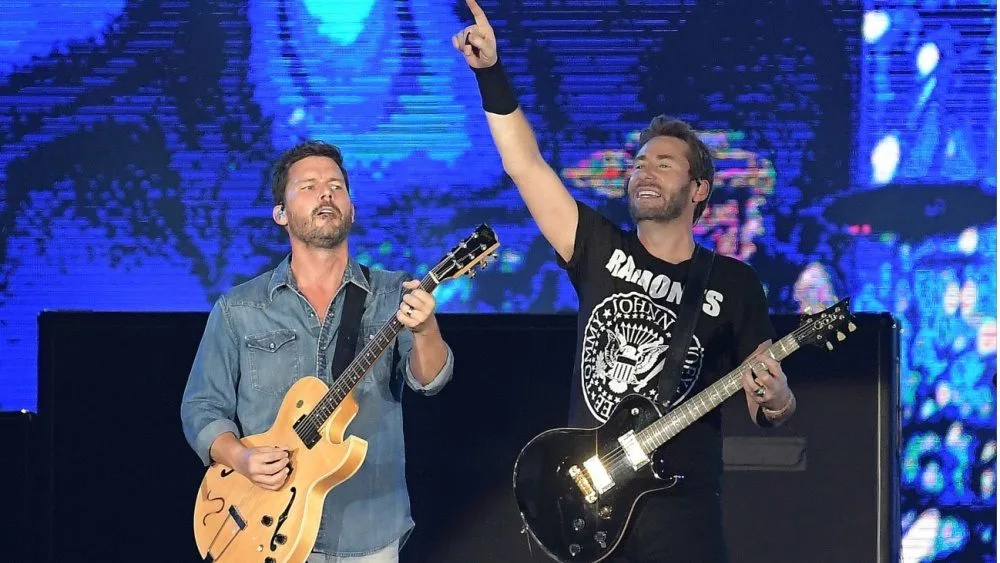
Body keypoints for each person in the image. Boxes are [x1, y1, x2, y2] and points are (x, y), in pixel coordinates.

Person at [451, 1, 796, 561]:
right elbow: (527, 167)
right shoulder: (598, 247)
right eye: (638, 163)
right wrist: (490, 71)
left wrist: (777, 399)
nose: (643, 171)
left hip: (682, 510)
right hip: (590, 500)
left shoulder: (735, 284)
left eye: (663, 163)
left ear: (700, 189)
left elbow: (765, 403)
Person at [180, 140, 454, 563]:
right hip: (263, 526)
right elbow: (201, 406)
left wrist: (427, 328)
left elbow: (429, 379)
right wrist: (242, 457)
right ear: (281, 214)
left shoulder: (391, 294)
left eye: (336, 186)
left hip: (368, 526)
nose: (326, 193)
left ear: (352, 209)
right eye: (308, 186)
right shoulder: (240, 308)